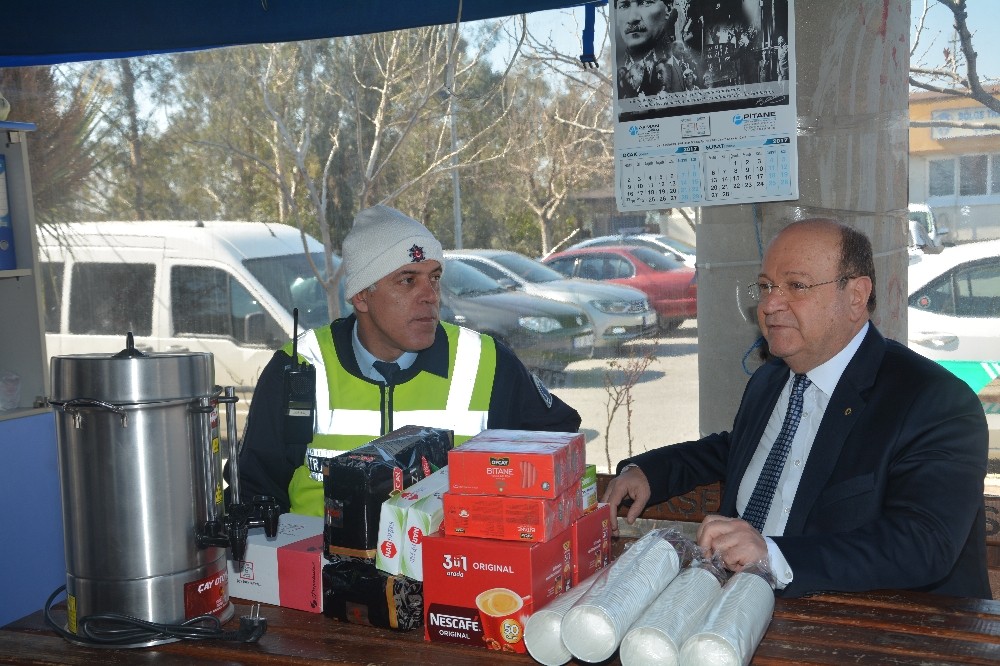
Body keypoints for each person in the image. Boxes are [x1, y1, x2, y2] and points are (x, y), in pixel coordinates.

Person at [603, 218, 991, 599]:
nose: (771, 304)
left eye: (797, 286)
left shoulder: (935, 401)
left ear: (856, 296)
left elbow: (924, 544)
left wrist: (773, 556)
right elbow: (739, 449)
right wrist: (651, 471)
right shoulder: (772, 379)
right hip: (736, 604)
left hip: (878, 627)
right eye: (766, 286)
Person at [233, 205, 582, 516]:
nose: (430, 296)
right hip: (321, 580)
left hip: (451, 574)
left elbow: (559, 452)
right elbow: (252, 493)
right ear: (361, 295)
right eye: (407, 280)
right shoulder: (299, 368)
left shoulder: (487, 363)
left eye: (434, 278)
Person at [615, 0, 678, 98]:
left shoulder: (684, 63)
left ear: (668, 8)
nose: (632, 18)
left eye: (645, 2)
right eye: (624, 6)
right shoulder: (616, 75)